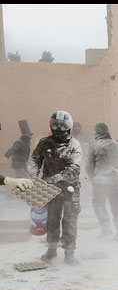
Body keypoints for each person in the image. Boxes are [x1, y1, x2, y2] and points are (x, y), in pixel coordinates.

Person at [28, 111, 82, 265]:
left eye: (62, 125)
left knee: (70, 220)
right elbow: (35, 159)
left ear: (69, 126)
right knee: (52, 219)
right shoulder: (44, 143)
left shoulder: (74, 145)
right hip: (50, 189)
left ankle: (69, 252)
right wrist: (33, 175)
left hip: (70, 188)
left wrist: (60, 176)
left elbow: (75, 166)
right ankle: (51, 249)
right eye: (55, 125)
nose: (58, 128)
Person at [85, 122, 118, 240]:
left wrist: (91, 178)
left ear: (96, 133)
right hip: (117, 179)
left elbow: (89, 166)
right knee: (117, 205)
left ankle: (106, 227)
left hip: (101, 181)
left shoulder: (94, 146)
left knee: (98, 204)